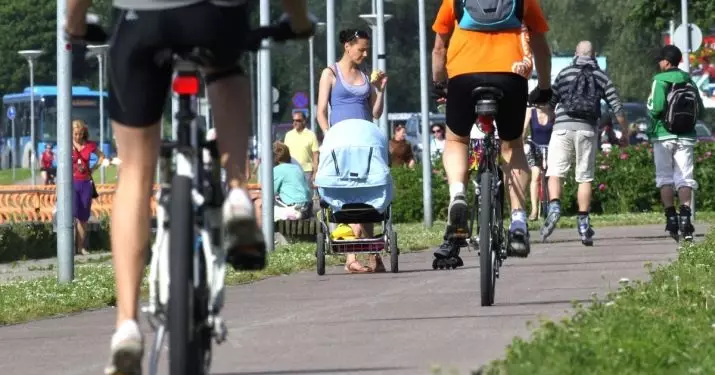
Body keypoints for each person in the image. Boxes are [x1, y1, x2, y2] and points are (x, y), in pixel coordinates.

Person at [64, 1, 312, 374]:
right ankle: (238, 195)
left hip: (140, 20)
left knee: (133, 172)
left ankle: (127, 325)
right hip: (212, 16)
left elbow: (76, 9)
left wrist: (76, 22)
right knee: (226, 70)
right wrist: (297, 20)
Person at [431, 0, 553, 261]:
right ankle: (519, 221)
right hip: (511, 76)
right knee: (512, 145)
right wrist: (544, 87)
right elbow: (541, 46)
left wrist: (439, 83)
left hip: (464, 76)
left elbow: (439, 48)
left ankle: (458, 196)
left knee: (457, 141)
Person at [540, 41, 628, 246]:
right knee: (584, 177)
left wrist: (550, 117)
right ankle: (583, 223)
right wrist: (625, 131)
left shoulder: (564, 73)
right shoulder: (601, 76)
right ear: (594, 55)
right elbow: (616, 106)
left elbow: (550, 104)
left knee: (555, 172)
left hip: (562, 128)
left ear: (575, 54)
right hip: (587, 129)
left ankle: (554, 207)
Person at [316, 28, 388, 273]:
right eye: (361, 49)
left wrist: (380, 90)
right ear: (347, 46)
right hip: (341, 144)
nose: (365, 54)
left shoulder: (366, 74)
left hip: (364, 141)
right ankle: (351, 258)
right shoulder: (330, 73)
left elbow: (375, 113)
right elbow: (321, 112)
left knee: (367, 195)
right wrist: (329, 135)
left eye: (367, 49)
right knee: (347, 194)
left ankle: (373, 255)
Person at [647, 45, 705, 242]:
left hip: (663, 135)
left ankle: (671, 218)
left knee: (665, 178)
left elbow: (655, 108)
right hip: (686, 136)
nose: (659, 63)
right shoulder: (689, 80)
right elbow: (701, 110)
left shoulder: (659, 80)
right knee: (685, 178)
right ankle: (686, 220)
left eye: (660, 60)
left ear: (666, 61)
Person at [72, 119, 105, 256]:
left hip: (85, 184)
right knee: (71, 214)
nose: (78, 137)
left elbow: (102, 156)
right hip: (71, 183)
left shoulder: (90, 145)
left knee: (83, 217)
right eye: (75, 134)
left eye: (80, 134)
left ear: (84, 133)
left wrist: (93, 168)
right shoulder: (67, 144)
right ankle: (69, 247)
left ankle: (81, 247)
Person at [522, 104, 554, 221]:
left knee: (550, 178)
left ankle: (551, 209)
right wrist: (521, 142)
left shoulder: (552, 112)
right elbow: (524, 129)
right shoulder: (530, 111)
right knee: (535, 177)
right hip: (534, 146)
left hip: (551, 148)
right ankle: (534, 211)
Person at [272, 141, 312, 221]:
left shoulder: (277, 170)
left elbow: (270, 191)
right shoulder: (297, 168)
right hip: (308, 208)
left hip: (293, 208)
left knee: (263, 207)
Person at [283, 110, 319, 185]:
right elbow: (284, 154)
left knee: (306, 195)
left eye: (298, 120)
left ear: (304, 121)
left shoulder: (311, 135)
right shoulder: (288, 135)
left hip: (306, 172)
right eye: (293, 120)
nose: (295, 123)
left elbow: (316, 155)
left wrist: (315, 172)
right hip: (292, 171)